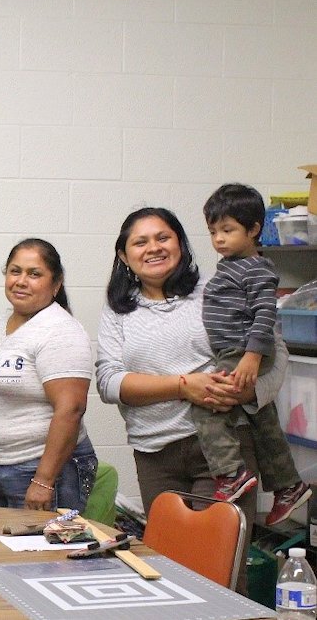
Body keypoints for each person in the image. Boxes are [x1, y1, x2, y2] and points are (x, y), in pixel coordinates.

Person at [96, 207, 289, 593]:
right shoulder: (119, 311)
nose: (154, 247)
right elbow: (109, 382)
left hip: (223, 452)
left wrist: (247, 392)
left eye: (163, 237)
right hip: (154, 454)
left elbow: (275, 353)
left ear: (181, 245)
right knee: (169, 570)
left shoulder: (216, 290)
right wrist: (183, 385)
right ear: (124, 255)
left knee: (218, 572)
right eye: (140, 241)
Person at [0, 239, 98, 512]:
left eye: (34, 274)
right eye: (15, 271)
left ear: (56, 284)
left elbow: (71, 408)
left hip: (40, 471)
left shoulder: (59, 330)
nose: (21, 281)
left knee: (40, 554)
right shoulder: (3, 324)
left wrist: (44, 481)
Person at [199, 185, 310, 519]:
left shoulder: (256, 269)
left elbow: (265, 314)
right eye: (213, 231)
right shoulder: (230, 265)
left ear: (253, 230)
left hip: (243, 350)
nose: (218, 238)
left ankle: (231, 472)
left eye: (228, 230)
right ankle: (289, 485)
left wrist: (252, 355)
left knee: (208, 402)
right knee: (261, 418)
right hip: (231, 350)